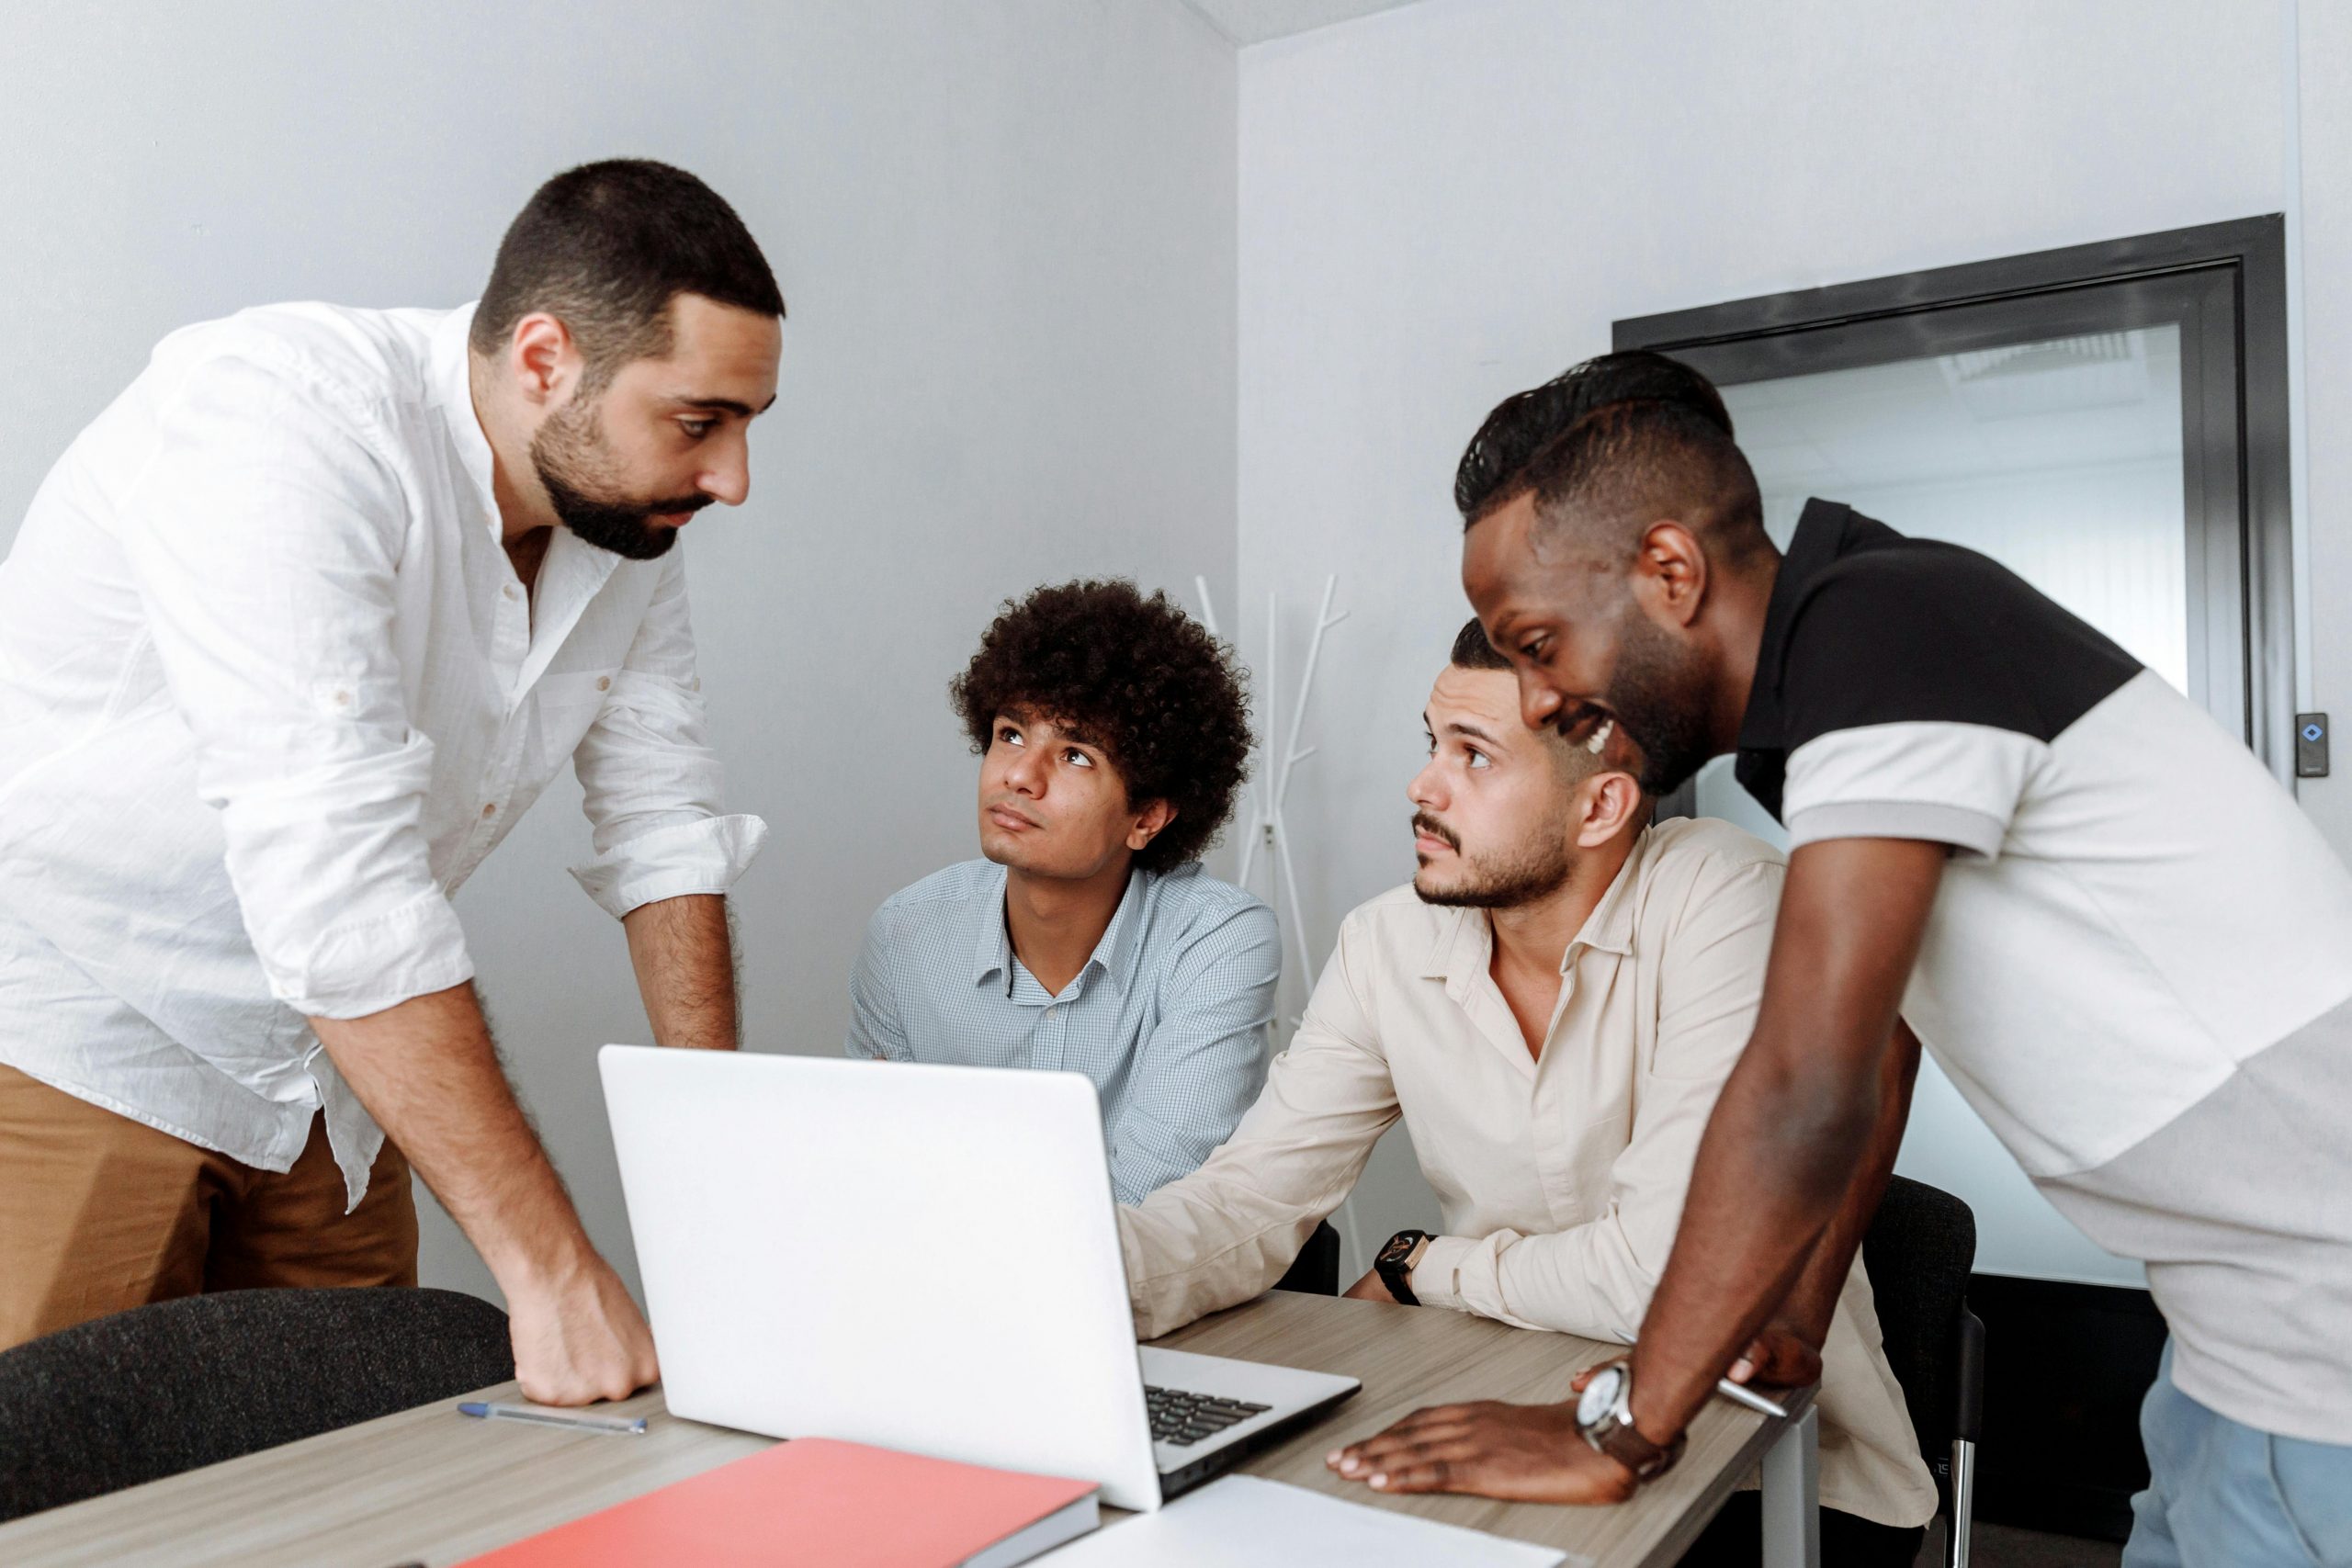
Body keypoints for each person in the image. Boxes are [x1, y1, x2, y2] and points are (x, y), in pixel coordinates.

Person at [1328, 354, 2352, 1568]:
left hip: (2318, 1321)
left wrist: (1625, 1429)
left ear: (1670, 573)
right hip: (2235, 1324)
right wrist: (1797, 1318)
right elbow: (1877, 1050)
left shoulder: (1876, 629)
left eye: (1541, 645)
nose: (1541, 700)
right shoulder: (1842, 692)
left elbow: (1801, 1087)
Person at [0, 159, 784, 1405]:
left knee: (384, 1467)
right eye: (700, 422)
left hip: (334, 1082)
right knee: (64, 1479)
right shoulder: (279, 424)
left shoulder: (625, 522)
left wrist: (723, 1159)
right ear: (545, 359)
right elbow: (340, 884)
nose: (734, 477)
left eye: (749, 424)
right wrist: (552, 1269)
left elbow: (663, 822)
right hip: (91, 1041)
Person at [1122, 620, 1934, 1562]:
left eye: (1473, 756)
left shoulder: (1724, 897)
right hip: (1500, 1404)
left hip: (1770, 1471)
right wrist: (1073, 1274)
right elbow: (1248, 1200)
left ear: (1600, 806)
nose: (1422, 786)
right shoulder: (1386, 942)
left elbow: (1665, 1276)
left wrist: (1427, 1267)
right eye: (1431, 743)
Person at [846, 580, 1278, 1203]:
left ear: (1146, 818)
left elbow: (1148, 1203)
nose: (1019, 775)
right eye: (1010, 734)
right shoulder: (905, 933)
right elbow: (878, 1174)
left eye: (1075, 755)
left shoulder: (1217, 941)